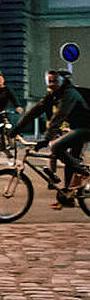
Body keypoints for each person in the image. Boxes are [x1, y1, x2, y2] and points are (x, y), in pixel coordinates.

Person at [13, 70, 90, 206]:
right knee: (71, 162)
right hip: (77, 128)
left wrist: (46, 139)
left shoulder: (69, 94)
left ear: (61, 81)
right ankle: (68, 197)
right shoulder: (53, 95)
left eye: (54, 81)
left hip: (86, 128)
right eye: (49, 81)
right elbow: (34, 111)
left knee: (57, 146)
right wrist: (16, 129)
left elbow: (58, 117)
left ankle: (84, 172)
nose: (51, 84)